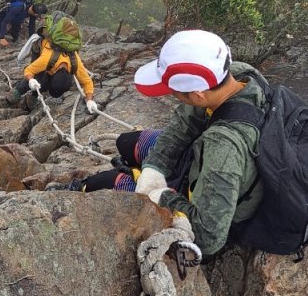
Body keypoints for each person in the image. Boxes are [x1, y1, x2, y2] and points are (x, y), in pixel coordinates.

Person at [60, 29, 266, 258]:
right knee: (127, 143)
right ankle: (140, 170)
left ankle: (76, 191)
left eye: (175, 93)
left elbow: (209, 238)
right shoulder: (238, 75)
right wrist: (154, 168)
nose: (171, 96)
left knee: (105, 181)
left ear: (198, 95)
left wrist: (161, 196)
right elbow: (184, 124)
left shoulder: (223, 149)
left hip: (216, 193)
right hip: (205, 160)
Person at [6, 20, 97, 111]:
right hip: (39, 49)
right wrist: (31, 80)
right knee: (38, 77)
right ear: (56, 72)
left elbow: (87, 82)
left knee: (45, 81)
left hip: (53, 60)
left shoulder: (75, 64)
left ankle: (35, 94)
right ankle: (18, 91)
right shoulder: (46, 59)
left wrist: (89, 100)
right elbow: (29, 70)